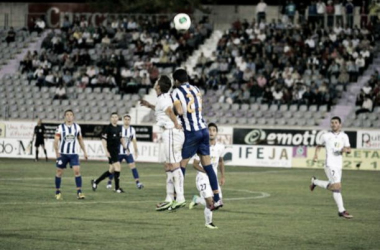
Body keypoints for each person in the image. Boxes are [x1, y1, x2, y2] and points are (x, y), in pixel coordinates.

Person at [171, 68, 223, 211]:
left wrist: (174, 112)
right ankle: (217, 199)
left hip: (191, 132)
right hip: (203, 129)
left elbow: (179, 111)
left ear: (176, 80)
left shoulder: (175, 92)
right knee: (208, 165)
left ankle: (177, 197)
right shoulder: (196, 88)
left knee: (182, 163)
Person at [140, 75, 185, 211]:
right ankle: (169, 198)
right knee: (168, 165)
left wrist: (176, 123)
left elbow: (169, 111)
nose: (155, 83)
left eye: (157, 82)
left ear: (159, 86)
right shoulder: (162, 98)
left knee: (174, 164)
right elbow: (164, 110)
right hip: (169, 132)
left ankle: (180, 198)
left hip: (171, 131)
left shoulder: (164, 98)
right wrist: (149, 105)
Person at [311, 116, 353, 219]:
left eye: (336, 122)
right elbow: (319, 145)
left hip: (339, 165)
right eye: (332, 123)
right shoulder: (326, 136)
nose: (333, 124)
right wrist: (316, 155)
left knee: (335, 188)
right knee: (337, 186)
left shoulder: (344, 136)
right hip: (330, 164)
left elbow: (348, 149)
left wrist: (345, 150)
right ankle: (341, 210)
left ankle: (315, 182)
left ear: (340, 124)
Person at [189, 123, 225, 229]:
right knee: (210, 203)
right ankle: (208, 223)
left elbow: (221, 162)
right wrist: (205, 171)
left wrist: (222, 176)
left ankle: (197, 200)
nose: (211, 132)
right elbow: (195, 164)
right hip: (202, 178)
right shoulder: (200, 147)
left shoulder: (220, 147)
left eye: (214, 130)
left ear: (217, 133)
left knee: (218, 203)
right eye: (209, 130)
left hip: (213, 179)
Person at [54, 109, 88, 200]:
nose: (69, 116)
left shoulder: (77, 127)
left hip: (74, 154)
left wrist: (84, 151)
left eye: (71, 115)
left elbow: (80, 140)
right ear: (65, 116)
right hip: (63, 154)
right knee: (59, 172)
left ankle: (79, 192)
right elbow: (56, 141)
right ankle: (57, 191)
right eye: (67, 115)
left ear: (73, 116)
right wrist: (57, 153)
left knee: (77, 171)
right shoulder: (60, 127)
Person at [106, 114, 144, 190]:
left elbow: (134, 141)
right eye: (125, 119)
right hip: (118, 152)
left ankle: (138, 183)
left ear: (130, 121)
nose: (127, 121)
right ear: (123, 120)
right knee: (114, 168)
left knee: (133, 166)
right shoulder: (118, 128)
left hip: (127, 153)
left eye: (128, 119)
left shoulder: (132, 130)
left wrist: (136, 151)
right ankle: (109, 182)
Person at [91, 113, 127, 193]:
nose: (114, 118)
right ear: (110, 119)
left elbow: (121, 138)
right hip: (111, 151)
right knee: (118, 167)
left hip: (116, 150)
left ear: (118, 118)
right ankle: (117, 188)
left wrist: (125, 147)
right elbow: (103, 140)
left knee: (111, 170)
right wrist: (106, 151)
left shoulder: (119, 128)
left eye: (116, 117)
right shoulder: (108, 128)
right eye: (113, 117)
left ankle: (95, 182)